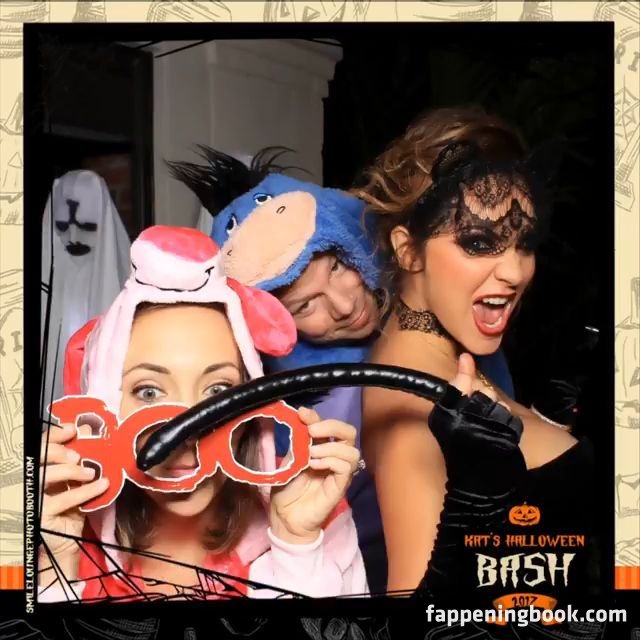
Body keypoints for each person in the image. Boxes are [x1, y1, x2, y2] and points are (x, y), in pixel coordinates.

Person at [168, 126, 519, 594]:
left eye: (338, 267)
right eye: (304, 305)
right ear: (273, 322)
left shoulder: (441, 317)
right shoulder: (288, 414)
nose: (343, 304)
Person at [38, 225, 366, 602]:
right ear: (102, 404)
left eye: (218, 391)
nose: (186, 430)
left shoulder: (312, 505)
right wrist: (52, 568)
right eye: (149, 391)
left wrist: (296, 547)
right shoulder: (43, 524)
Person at [358, 125, 595, 602]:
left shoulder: (451, 360)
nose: (515, 271)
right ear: (408, 249)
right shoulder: (414, 411)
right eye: (479, 243)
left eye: (525, 243)